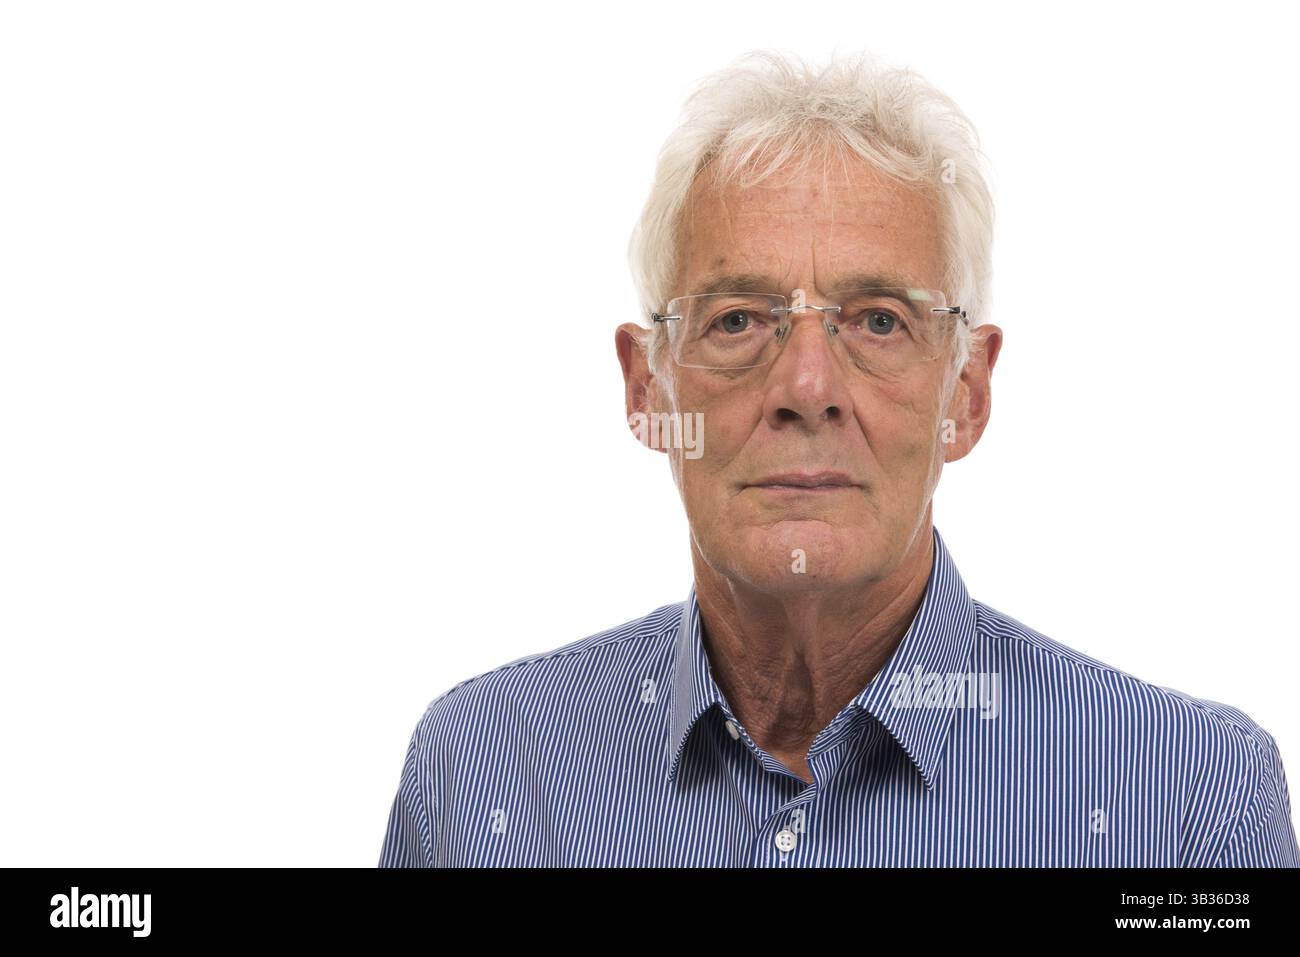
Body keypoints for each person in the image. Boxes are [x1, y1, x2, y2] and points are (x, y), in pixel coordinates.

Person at [379, 50, 1298, 867]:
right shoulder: (480, 772)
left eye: (878, 322)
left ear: (965, 395)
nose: (807, 384)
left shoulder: (1185, 802)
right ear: (648, 392)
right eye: (737, 319)